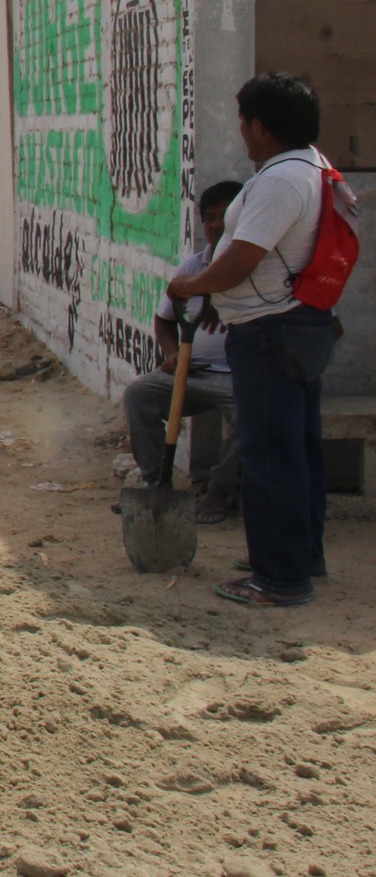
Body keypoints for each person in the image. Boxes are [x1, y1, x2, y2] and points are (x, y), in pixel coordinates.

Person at [168, 73, 339, 608]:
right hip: (292, 324)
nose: (242, 132)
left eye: (244, 122)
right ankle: (299, 555)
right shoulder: (309, 168)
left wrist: (191, 285)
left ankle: (279, 577)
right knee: (298, 448)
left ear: (258, 127)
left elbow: (241, 260)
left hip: (270, 331)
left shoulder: (281, 180)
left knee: (270, 454)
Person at [123, 181, 245, 521]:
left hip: (237, 376)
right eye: (210, 218)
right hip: (193, 370)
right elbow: (164, 320)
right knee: (138, 396)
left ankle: (219, 492)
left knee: (249, 416)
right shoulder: (191, 268)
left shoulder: (258, 266)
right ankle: (157, 485)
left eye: (225, 216)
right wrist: (172, 352)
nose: (217, 225)